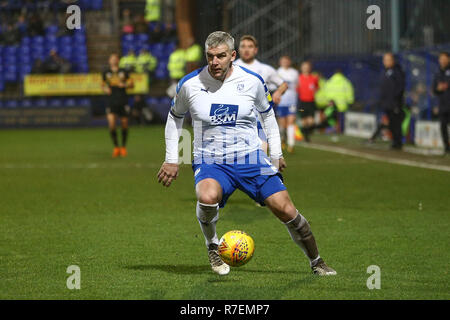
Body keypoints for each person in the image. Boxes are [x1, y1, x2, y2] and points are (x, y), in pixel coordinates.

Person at [157, 31, 336, 277]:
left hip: (251, 158)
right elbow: (174, 117)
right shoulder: (190, 84)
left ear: (233, 55)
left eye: (220, 56)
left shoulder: (252, 81)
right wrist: (171, 158)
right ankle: (212, 245)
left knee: (285, 209)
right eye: (210, 56)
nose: (214, 62)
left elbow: (268, 115)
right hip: (211, 159)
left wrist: (276, 152)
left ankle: (317, 261)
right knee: (207, 196)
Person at [234, 34, 288, 154]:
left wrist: (278, 93)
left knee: (261, 155)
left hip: (259, 120)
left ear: (256, 50)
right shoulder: (231, 67)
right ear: (238, 49)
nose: (246, 49)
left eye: (250, 46)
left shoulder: (265, 69)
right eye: (243, 46)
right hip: (236, 121)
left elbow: (283, 84)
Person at [102, 53, 134, 158]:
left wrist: (124, 84)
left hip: (122, 101)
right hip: (111, 101)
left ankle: (123, 147)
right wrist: (105, 89)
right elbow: (103, 85)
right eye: (112, 58)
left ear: (118, 60)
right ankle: (116, 147)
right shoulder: (106, 73)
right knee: (111, 123)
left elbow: (132, 84)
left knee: (124, 124)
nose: (114, 60)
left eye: (115, 58)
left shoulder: (124, 72)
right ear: (109, 61)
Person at [379, 52, 405, 150]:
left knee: (396, 122)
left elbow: (399, 87)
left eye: (388, 60)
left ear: (393, 60)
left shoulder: (397, 71)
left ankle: (398, 142)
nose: (386, 62)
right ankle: (395, 141)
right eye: (384, 60)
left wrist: (395, 99)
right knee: (390, 123)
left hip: (395, 103)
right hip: (387, 103)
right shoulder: (385, 72)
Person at [276, 55, 299, 153]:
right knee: (283, 124)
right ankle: (283, 139)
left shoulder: (294, 73)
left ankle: (291, 144)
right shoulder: (278, 72)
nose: (285, 62)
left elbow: (297, 85)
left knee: (291, 122)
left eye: (286, 60)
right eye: (283, 61)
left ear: (289, 62)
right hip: (281, 101)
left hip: (292, 101)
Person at [322, 69, 354, 133]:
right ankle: (339, 131)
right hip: (342, 106)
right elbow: (349, 93)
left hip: (331, 105)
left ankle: (330, 129)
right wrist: (350, 102)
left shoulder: (330, 81)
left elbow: (325, 92)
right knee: (340, 120)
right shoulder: (345, 82)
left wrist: (327, 102)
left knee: (331, 119)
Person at [432, 51, 450, 154]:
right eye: (441, 59)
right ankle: (446, 147)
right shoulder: (438, 73)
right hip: (443, 105)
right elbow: (434, 89)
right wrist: (438, 88)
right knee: (443, 126)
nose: (442, 61)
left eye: (444, 58)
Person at [296, 61, 319, 142]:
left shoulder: (314, 78)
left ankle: (305, 133)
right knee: (304, 121)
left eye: (307, 67)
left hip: (311, 102)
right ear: (301, 68)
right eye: (304, 66)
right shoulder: (298, 78)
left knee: (311, 121)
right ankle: (306, 136)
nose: (306, 68)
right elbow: (296, 89)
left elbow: (317, 87)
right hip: (302, 102)